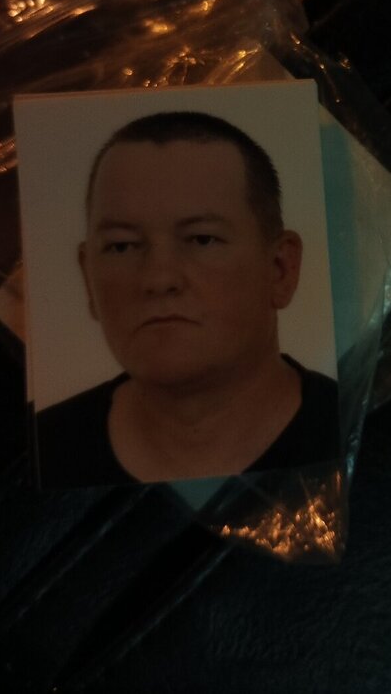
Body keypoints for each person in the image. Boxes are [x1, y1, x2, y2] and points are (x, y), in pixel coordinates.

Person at [34, 111, 339, 488]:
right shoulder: (41, 452)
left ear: (280, 269)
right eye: (122, 246)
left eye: (201, 239)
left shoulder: (363, 430)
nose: (159, 279)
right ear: (87, 277)